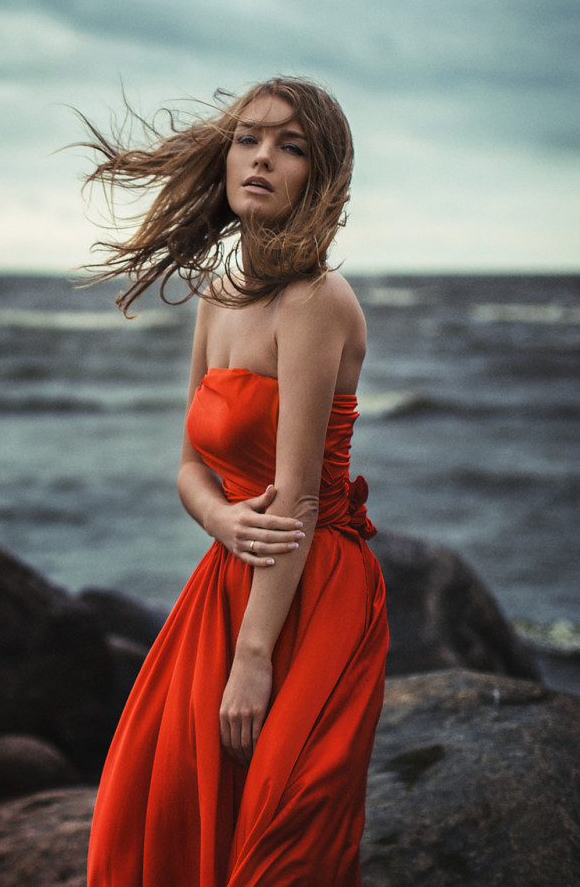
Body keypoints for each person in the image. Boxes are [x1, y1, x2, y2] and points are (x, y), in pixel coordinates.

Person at [80, 77, 388, 886]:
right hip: (230, 576)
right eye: (250, 138)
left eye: (291, 147)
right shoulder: (217, 299)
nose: (262, 158)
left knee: (281, 839)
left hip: (310, 587)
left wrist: (253, 657)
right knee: (163, 805)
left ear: (318, 179)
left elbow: (300, 497)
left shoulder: (316, 302)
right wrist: (218, 520)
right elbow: (189, 464)